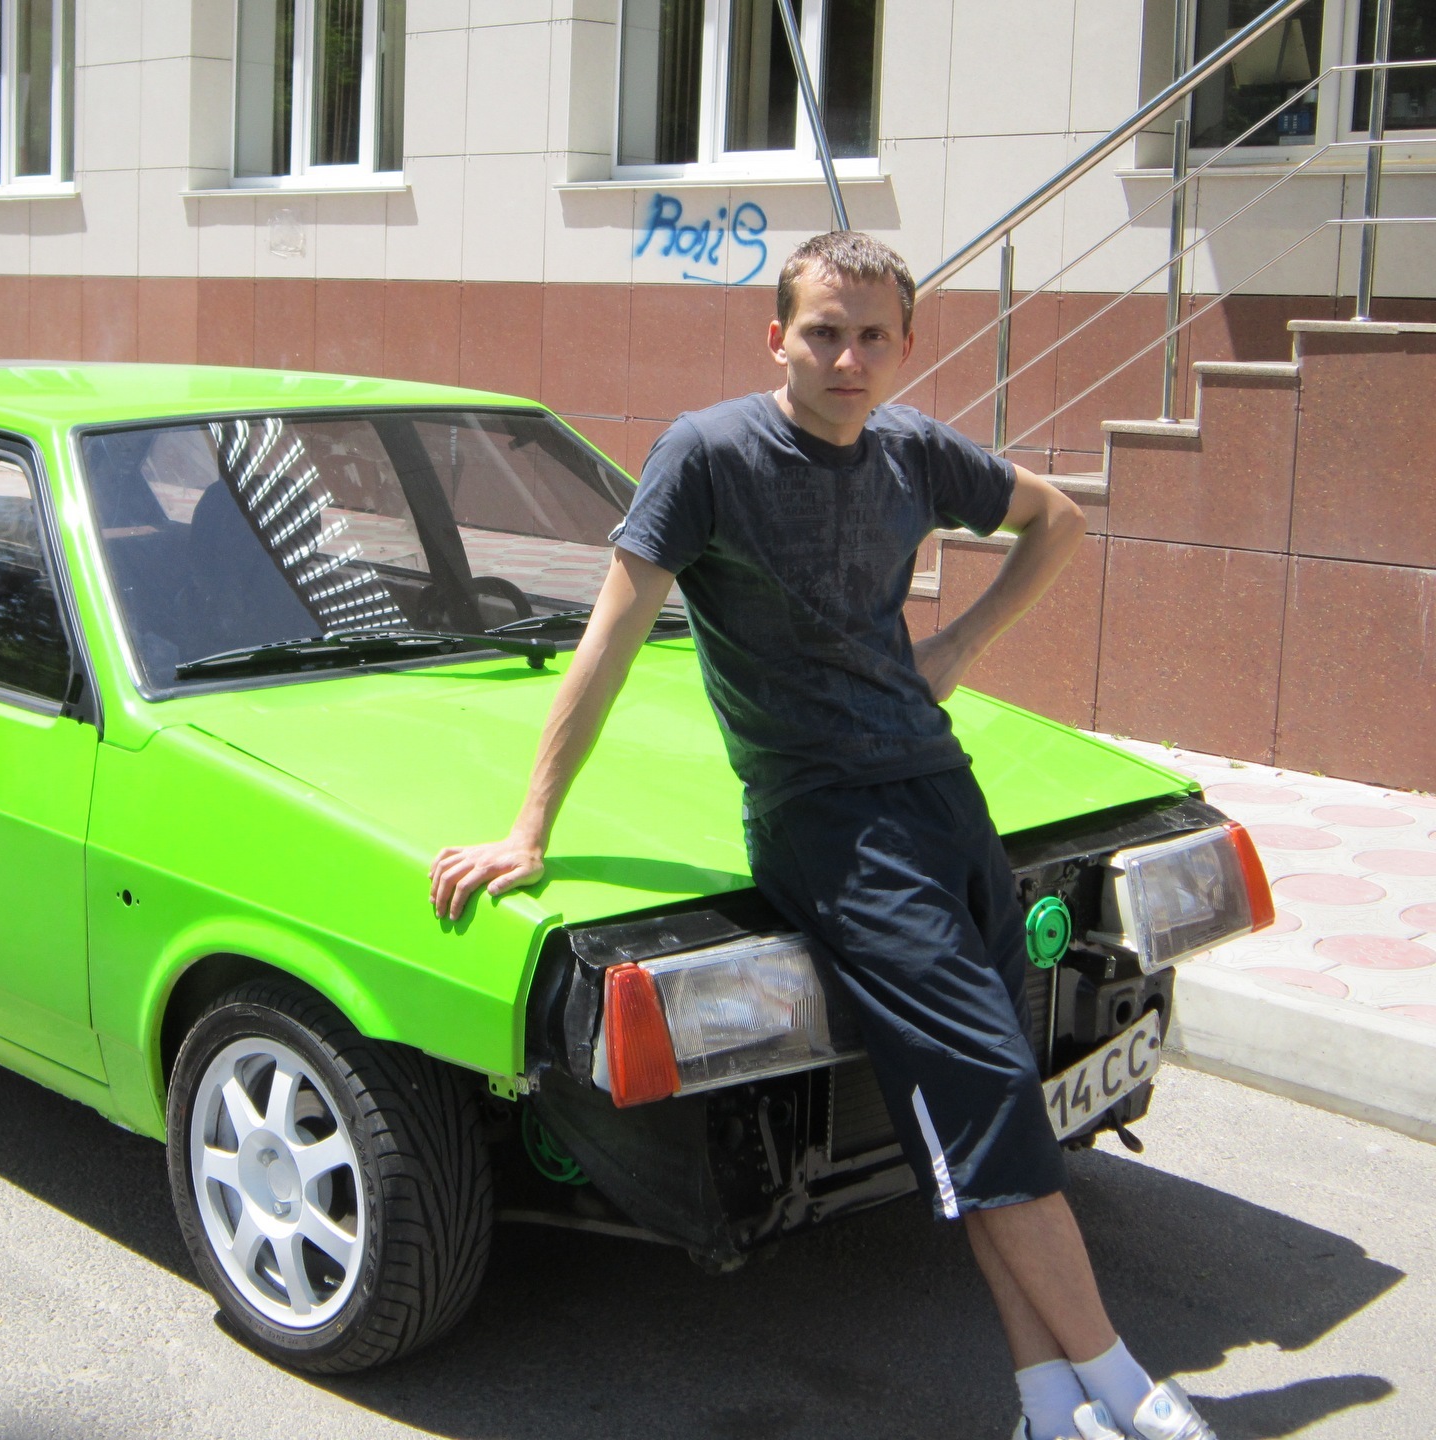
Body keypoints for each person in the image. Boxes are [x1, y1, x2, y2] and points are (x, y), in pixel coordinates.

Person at [427, 231, 1216, 1440]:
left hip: (944, 800)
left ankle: (1045, 1403)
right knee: (995, 1104)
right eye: (823, 332)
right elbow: (609, 643)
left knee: (987, 1114)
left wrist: (956, 647)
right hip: (830, 830)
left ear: (905, 344)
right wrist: (531, 827)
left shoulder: (911, 450)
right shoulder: (709, 455)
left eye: (872, 337)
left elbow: (1056, 519)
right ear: (777, 338)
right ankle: (1131, 1391)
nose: (849, 359)